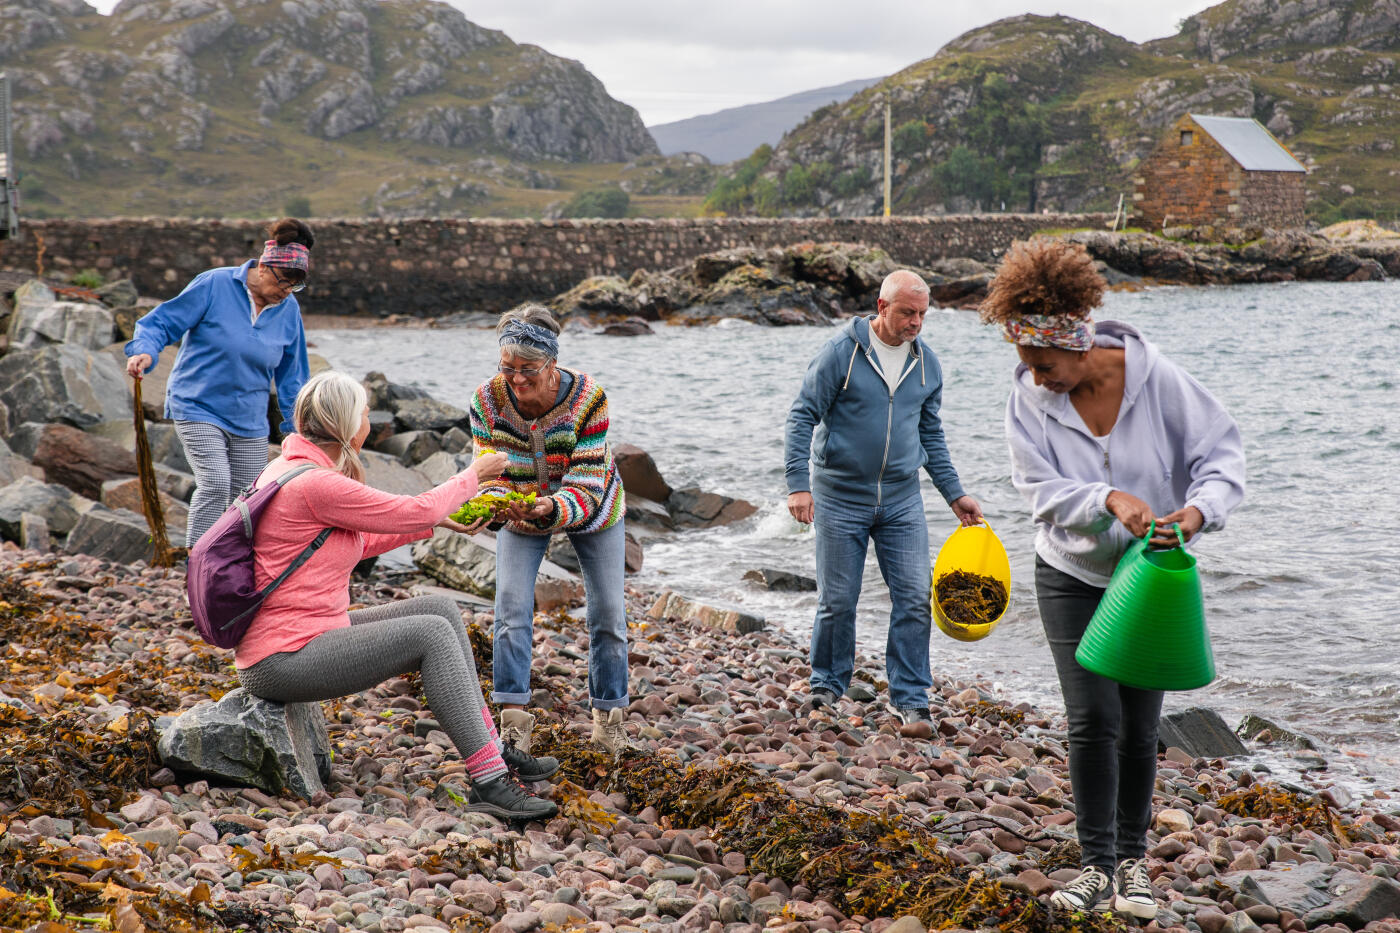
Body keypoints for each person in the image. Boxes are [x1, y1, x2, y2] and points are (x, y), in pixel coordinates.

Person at [981, 239, 1244, 917]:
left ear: (1076, 341)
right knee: (1092, 717)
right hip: (1068, 572)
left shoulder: (1159, 380)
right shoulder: (1026, 400)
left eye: (1044, 364)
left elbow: (1222, 454)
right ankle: (1096, 864)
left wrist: (1195, 513)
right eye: (1026, 363)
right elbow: (1038, 490)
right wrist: (1107, 500)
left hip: (1150, 576)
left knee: (1138, 723)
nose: (1036, 377)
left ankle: (1133, 864)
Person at [235, 370, 560, 821]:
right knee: (430, 635)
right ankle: (489, 780)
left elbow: (359, 541)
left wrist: (437, 523)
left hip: (304, 635)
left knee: (440, 608)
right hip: (281, 659)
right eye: (365, 413)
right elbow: (414, 507)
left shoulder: (292, 468)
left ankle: (493, 748)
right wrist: (473, 476)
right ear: (348, 425)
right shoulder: (315, 483)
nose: (369, 421)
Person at [784, 270, 983, 726]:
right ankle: (826, 686)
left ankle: (911, 697)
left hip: (901, 499)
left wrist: (955, 494)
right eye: (907, 313)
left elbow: (931, 433)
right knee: (838, 599)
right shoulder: (842, 353)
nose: (915, 322)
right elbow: (801, 417)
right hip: (839, 496)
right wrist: (799, 485)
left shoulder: (927, 364)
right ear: (881, 307)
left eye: (922, 314)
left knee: (914, 595)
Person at [466, 305, 630, 756]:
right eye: (507, 368)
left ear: (552, 363)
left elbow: (587, 483)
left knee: (608, 615)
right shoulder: (487, 400)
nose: (517, 380)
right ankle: (514, 723)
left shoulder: (588, 398)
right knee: (511, 610)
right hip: (521, 506)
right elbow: (489, 469)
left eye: (528, 370)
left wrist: (551, 508)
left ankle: (609, 721)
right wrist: (495, 507)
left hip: (592, 505)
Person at [124, 218, 315, 547]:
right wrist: (145, 352)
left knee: (246, 500)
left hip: (250, 420)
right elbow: (163, 322)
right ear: (264, 267)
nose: (287, 292)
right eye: (284, 282)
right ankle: (197, 562)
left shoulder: (288, 309)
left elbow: (293, 375)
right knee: (214, 482)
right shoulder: (215, 284)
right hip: (197, 405)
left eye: (295, 286)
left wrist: (298, 430)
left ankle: (226, 568)